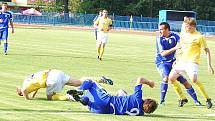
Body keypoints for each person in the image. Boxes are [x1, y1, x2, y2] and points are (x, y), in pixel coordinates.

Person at [168, 17, 214, 109]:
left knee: (193, 80)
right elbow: (180, 47)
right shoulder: (184, 34)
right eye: (185, 27)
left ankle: (207, 99)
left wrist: (209, 65)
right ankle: (182, 98)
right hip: (181, 61)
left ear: (193, 26)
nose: (186, 28)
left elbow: (207, 51)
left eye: (188, 27)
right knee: (171, 79)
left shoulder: (199, 37)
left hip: (192, 62)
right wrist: (177, 59)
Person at [155, 22, 201, 106]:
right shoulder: (159, 39)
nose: (159, 31)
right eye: (159, 29)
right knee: (166, 78)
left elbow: (182, 45)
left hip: (173, 62)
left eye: (161, 29)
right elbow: (163, 54)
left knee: (184, 81)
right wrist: (175, 48)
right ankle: (162, 101)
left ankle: (196, 101)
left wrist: (179, 57)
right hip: (162, 62)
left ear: (167, 29)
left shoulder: (175, 36)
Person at [67, 77, 158, 116]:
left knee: (90, 82)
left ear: (146, 100)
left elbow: (140, 79)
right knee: (88, 99)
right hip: (101, 111)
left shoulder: (138, 99)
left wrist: (150, 83)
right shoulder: (140, 113)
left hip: (107, 100)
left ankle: (79, 90)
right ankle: (83, 100)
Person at [16, 69, 113, 100]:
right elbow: (36, 87)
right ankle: (100, 79)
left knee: (50, 97)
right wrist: (32, 95)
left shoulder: (25, 89)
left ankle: (70, 97)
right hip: (55, 72)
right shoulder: (28, 80)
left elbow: (24, 91)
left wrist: (27, 98)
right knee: (78, 82)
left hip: (51, 79)